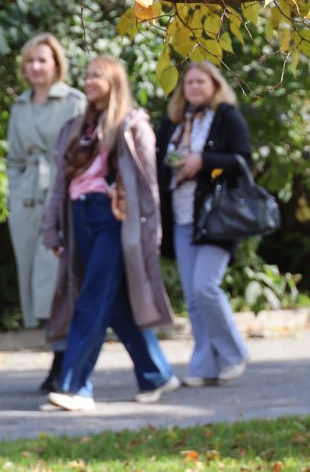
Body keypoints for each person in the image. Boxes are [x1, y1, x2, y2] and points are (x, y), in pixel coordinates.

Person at [40, 55, 179, 412]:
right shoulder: (76, 128)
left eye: (96, 76)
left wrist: (152, 233)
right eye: (86, 75)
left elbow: (148, 187)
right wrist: (52, 227)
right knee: (115, 303)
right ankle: (156, 374)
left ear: (114, 80)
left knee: (91, 300)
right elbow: (60, 183)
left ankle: (75, 387)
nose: (87, 81)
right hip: (79, 216)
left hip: (114, 219)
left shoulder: (133, 125)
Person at [156, 60, 253, 386]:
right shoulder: (173, 123)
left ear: (214, 85)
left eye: (201, 81)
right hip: (181, 217)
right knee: (193, 296)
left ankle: (234, 353)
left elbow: (243, 160)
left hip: (216, 217)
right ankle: (205, 366)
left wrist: (203, 161)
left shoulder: (226, 117)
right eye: (189, 82)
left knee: (205, 287)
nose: (194, 87)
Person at [5, 34, 85, 391]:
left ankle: (62, 360)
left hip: (62, 195)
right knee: (33, 283)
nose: (36, 67)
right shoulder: (20, 106)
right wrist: (14, 193)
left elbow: (86, 152)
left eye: (43, 60)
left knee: (55, 281)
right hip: (26, 200)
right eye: (31, 61)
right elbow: (13, 159)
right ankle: (58, 357)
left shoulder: (74, 102)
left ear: (57, 64)